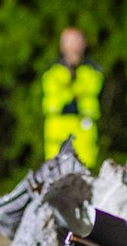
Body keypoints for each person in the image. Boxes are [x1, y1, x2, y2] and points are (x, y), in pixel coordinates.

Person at [40, 27, 104, 167]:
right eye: (70, 42)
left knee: (84, 173)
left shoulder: (93, 69)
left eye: (77, 42)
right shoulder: (52, 69)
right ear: (62, 45)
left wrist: (67, 88)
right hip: (58, 130)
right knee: (55, 174)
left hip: (83, 130)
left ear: (84, 44)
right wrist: (75, 91)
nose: (74, 47)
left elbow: (91, 88)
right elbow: (54, 90)